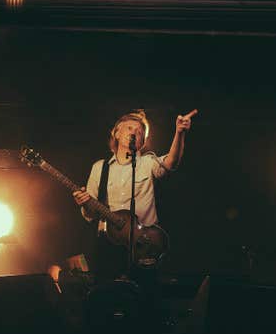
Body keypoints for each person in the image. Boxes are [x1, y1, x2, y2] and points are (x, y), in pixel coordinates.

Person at [71, 108, 196, 279]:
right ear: (116, 133)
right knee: (108, 293)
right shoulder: (100, 167)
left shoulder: (147, 162)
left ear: (142, 142)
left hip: (143, 244)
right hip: (109, 243)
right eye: (130, 128)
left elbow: (171, 163)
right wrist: (84, 203)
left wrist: (179, 133)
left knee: (142, 296)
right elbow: (91, 214)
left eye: (139, 132)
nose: (135, 133)